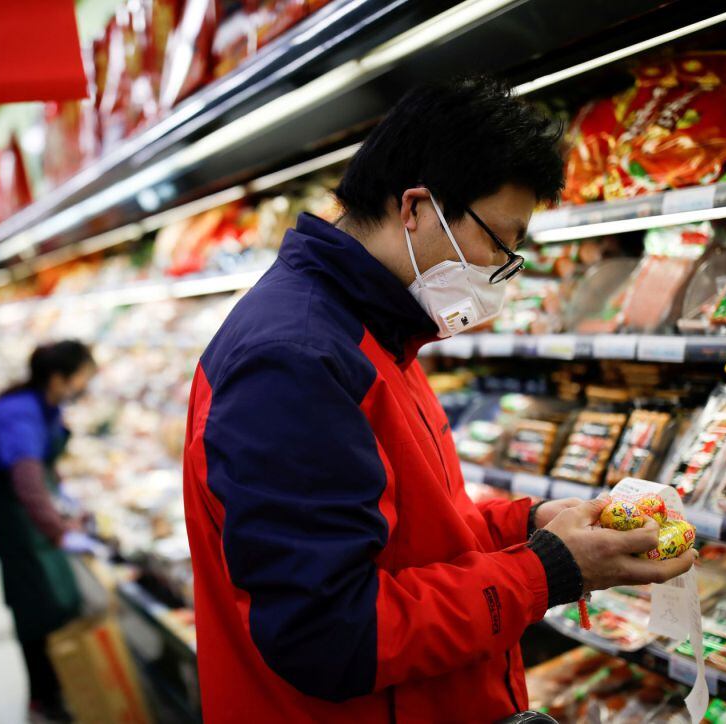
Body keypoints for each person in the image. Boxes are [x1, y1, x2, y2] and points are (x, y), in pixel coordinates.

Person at [182, 78, 696, 723]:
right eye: (500, 243)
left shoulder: (375, 331)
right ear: (416, 208)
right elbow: (331, 636)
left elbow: (399, 539)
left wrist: (524, 526)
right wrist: (547, 572)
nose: (502, 269)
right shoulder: (297, 358)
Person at [0, 340, 97, 724]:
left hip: (28, 514)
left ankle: (59, 683)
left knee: (50, 598)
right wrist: (59, 532)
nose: (83, 388)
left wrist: (66, 506)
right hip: (8, 517)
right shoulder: (19, 413)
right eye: (82, 379)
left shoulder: (45, 405)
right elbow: (26, 480)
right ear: (59, 378)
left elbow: (44, 466)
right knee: (32, 605)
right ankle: (43, 697)